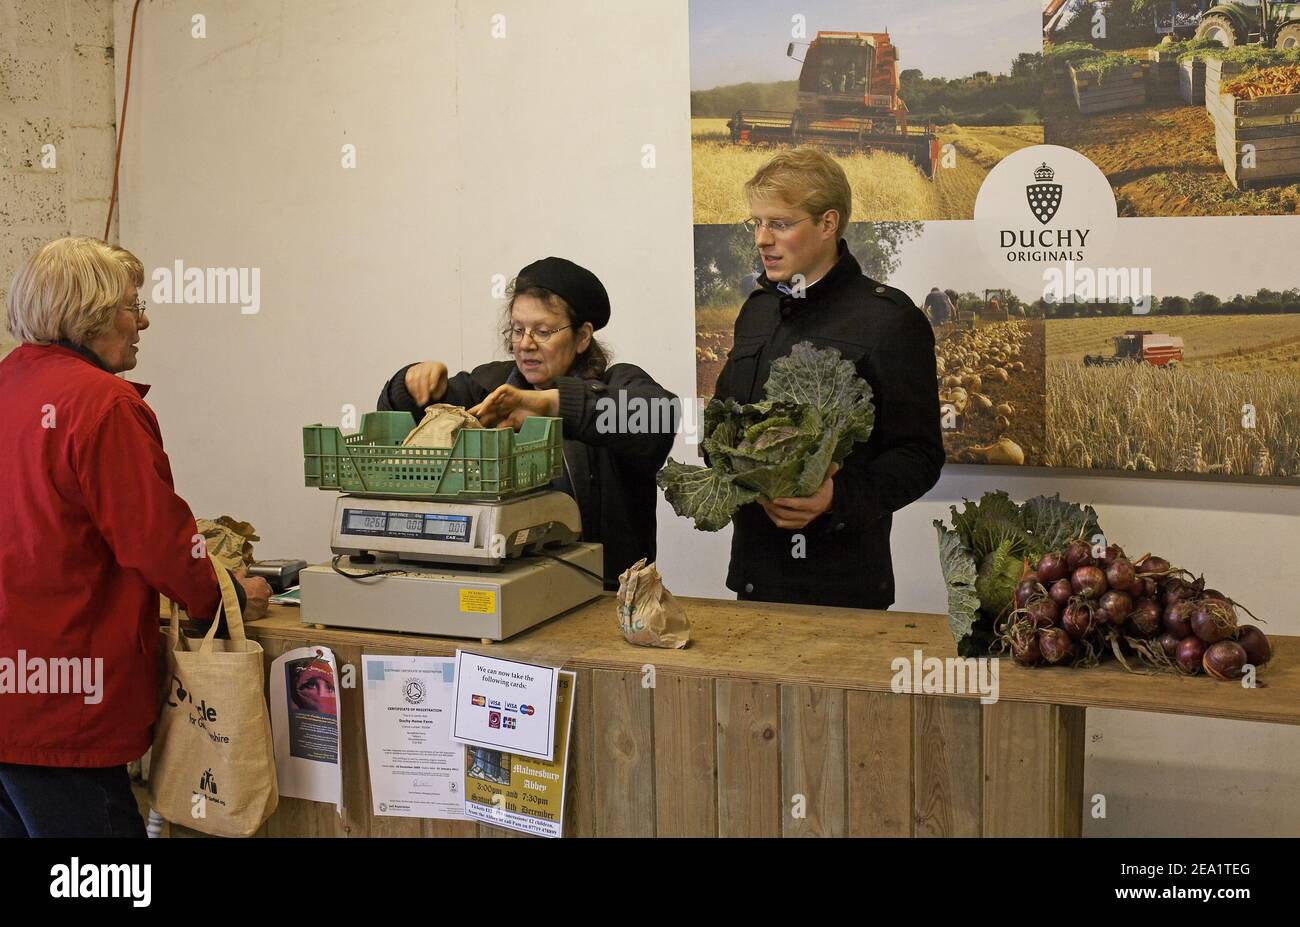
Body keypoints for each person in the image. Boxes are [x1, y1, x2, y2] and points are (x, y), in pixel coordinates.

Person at [0, 237, 271, 837]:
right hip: (66, 706)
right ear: (89, 315)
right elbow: (157, 540)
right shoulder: (103, 405)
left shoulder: (7, 386)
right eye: (131, 305)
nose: (143, 319)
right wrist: (225, 596)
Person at [712, 149, 944, 609]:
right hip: (754, 579)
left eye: (780, 224)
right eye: (755, 223)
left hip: (845, 587)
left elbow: (920, 455)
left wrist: (837, 496)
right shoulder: (756, 310)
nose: (761, 239)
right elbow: (723, 419)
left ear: (828, 223)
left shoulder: (890, 320)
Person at [378, 257, 676, 590]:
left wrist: (553, 404)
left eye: (543, 331)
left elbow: (660, 417)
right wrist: (406, 385)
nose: (525, 344)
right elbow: (404, 425)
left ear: (582, 337)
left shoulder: (619, 384)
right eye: (518, 330)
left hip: (602, 594)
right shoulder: (487, 386)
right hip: (502, 588)